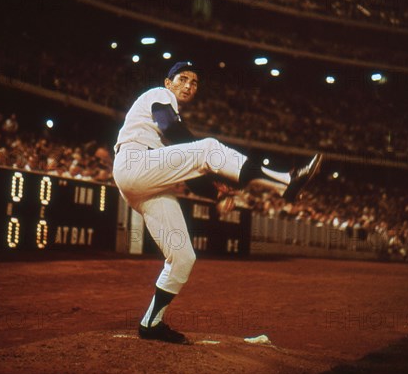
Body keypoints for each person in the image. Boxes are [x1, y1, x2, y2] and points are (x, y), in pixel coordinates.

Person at [113, 61, 322, 344]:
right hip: (133, 162)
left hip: (148, 184)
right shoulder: (157, 95)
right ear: (168, 83)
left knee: (183, 257)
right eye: (183, 79)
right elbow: (171, 128)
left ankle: (151, 322)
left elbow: (186, 173)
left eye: (194, 82)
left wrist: (218, 194)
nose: (188, 85)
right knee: (209, 147)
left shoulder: (170, 121)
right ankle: (287, 180)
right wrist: (211, 170)